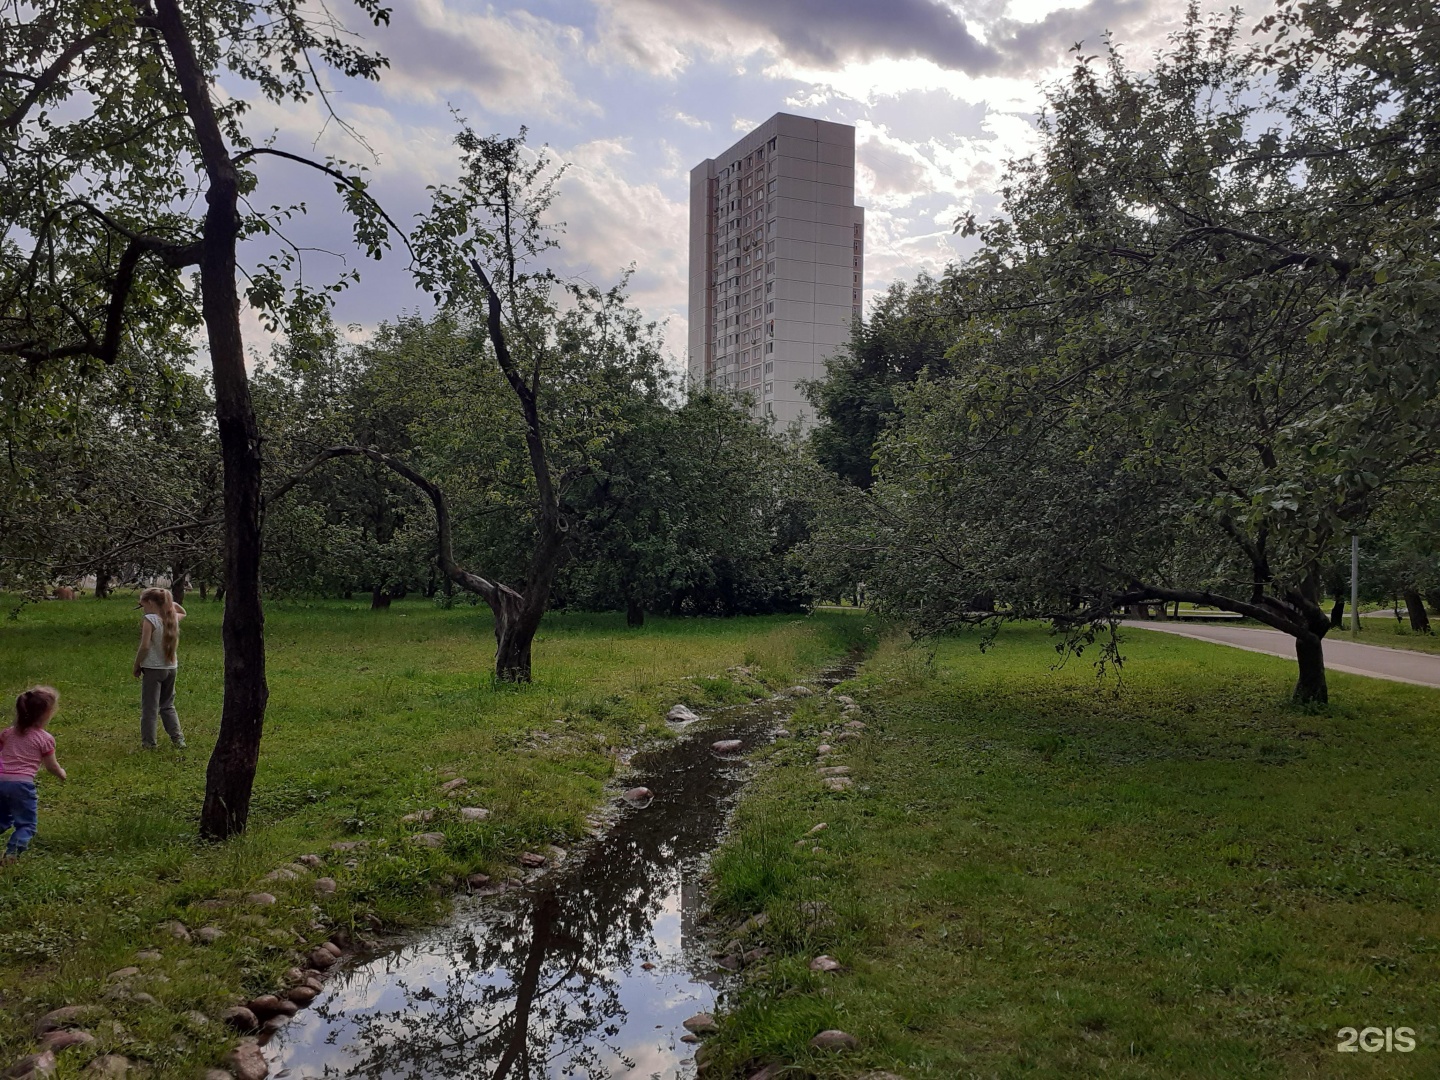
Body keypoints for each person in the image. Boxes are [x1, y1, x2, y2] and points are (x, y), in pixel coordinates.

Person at [0, 686, 66, 862]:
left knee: (2, 818)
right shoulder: (44, 739)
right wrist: (61, 773)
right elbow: (51, 766)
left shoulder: (7, 733)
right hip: (21, 785)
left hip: (1, 781)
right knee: (27, 824)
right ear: (47, 713)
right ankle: (11, 854)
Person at [135, 586, 187, 749]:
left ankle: (149, 743)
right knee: (167, 705)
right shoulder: (171, 617)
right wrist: (169, 603)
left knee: (150, 708)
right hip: (171, 668)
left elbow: (144, 647)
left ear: (150, 602)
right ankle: (178, 739)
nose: (142, 608)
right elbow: (183, 611)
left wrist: (137, 664)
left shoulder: (150, 619)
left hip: (153, 668)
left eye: (143, 604)